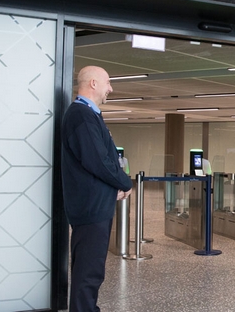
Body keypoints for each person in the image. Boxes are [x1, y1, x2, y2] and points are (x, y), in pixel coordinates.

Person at [61, 66, 133, 311]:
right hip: (90, 209)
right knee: (88, 273)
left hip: (95, 206)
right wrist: (125, 182)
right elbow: (98, 160)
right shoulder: (81, 115)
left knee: (91, 271)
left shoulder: (88, 114)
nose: (110, 89)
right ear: (93, 83)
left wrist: (114, 187)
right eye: (108, 83)